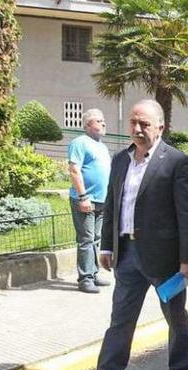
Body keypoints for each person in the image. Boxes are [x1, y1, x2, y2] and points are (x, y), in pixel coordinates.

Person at [72, 99, 188, 370]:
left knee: (175, 318)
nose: (138, 128)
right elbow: (113, 204)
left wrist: (187, 258)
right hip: (127, 255)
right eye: (133, 122)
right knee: (120, 319)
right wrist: (106, 245)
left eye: (144, 123)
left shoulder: (176, 161)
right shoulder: (120, 161)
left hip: (165, 260)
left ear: (160, 126)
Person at [67, 109, 111, 293]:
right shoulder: (79, 143)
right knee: (86, 239)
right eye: (98, 121)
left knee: (96, 238)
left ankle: (93, 273)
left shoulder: (101, 146)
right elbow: (74, 170)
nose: (103, 124)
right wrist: (83, 196)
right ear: (87, 125)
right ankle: (85, 279)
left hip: (101, 200)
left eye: (103, 120)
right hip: (86, 200)